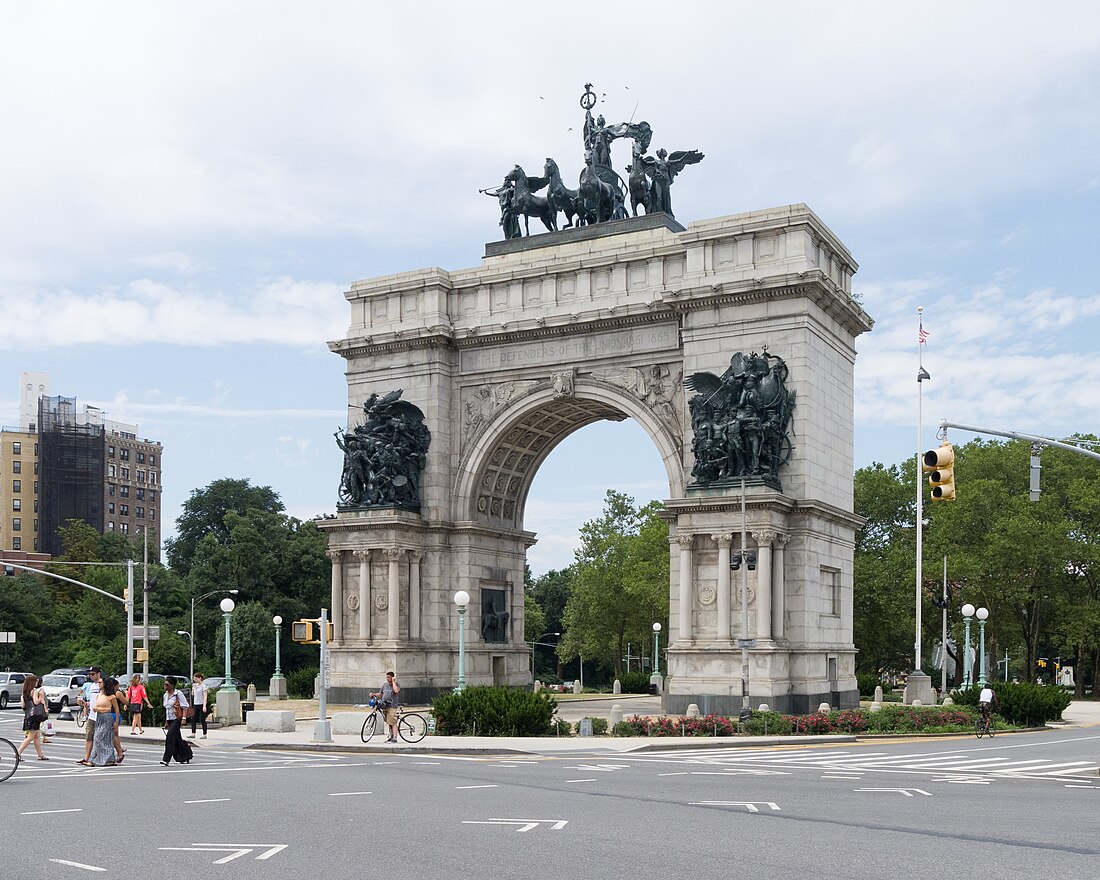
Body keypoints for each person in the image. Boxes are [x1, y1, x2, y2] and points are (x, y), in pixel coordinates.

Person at [161, 677, 193, 766]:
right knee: (177, 739)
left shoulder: (178, 694)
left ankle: (166, 759)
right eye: (164, 684)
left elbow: (185, 706)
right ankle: (185, 756)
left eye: (167, 684)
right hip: (170, 719)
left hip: (177, 719)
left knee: (170, 737)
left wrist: (183, 718)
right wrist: (166, 722)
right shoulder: (165, 695)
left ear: (172, 685)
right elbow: (167, 709)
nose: (165, 686)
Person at [16, 674, 48, 761]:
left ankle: (40, 754)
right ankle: (18, 752)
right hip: (35, 716)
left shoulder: (24, 693)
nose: (37, 683)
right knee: (30, 736)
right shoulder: (34, 691)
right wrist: (41, 696)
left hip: (28, 715)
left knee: (36, 736)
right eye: (35, 681)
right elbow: (36, 702)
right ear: (32, 682)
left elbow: (23, 705)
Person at [89, 677, 119, 767]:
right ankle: (108, 759)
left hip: (107, 718)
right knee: (102, 739)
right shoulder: (99, 695)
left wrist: (116, 721)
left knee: (99, 738)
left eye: (100, 682)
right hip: (99, 718)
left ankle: (97, 759)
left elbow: (116, 709)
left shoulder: (112, 696)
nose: (99, 684)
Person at [77, 667, 102, 766]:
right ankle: (86, 757)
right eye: (90, 674)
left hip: (100, 715)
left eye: (93, 674)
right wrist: (85, 704)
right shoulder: (91, 686)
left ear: (98, 674)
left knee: (100, 738)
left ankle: (98, 758)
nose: (90, 676)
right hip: (92, 715)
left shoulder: (102, 684)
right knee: (88, 737)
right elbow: (92, 701)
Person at [370, 671, 401, 743]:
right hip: (385, 705)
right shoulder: (385, 685)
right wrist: (374, 694)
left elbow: (396, 691)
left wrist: (393, 682)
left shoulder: (396, 684)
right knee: (388, 721)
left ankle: (395, 738)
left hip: (392, 706)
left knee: (393, 721)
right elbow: (380, 694)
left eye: (389, 677)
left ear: (392, 677)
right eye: (387, 677)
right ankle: (391, 735)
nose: (387, 679)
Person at [188, 673, 209, 739]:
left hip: (201, 704)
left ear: (200, 678)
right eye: (194, 678)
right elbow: (193, 695)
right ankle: (193, 733)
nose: (195, 680)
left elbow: (205, 696)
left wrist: (204, 705)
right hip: (195, 704)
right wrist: (193, 688)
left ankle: (204, 734)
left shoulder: (203, 686)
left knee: (202, 719)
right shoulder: (194, 685)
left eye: (196, 678)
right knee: (193, 719)